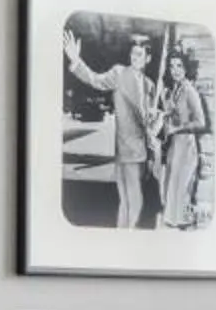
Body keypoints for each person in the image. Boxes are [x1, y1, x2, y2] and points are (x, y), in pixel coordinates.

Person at [63, 29, 162, 230]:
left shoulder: (150, 86)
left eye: (140, 54)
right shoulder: (119, 73)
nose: (135, 57)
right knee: (127, 201)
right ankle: (124, 235)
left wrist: (156, 121)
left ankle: (128, 235)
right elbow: (95, 80)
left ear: (148, 58)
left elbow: (149, 120)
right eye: (133, 53)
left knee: (133, 200)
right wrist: (76, 61)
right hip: (124, 148)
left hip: (141, 152)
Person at [156, 45, 210, 230]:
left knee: (182, 195)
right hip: (175, 148)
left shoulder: (190, 91)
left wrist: (177, 128)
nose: (175, 70)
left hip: (186, 148)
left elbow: (201, 122)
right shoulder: (176, 89)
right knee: (172, 196)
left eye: (179, 66)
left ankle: (186, 233)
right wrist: (165, 104)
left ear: (186, 68)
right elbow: (174, 115)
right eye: (172, 66)